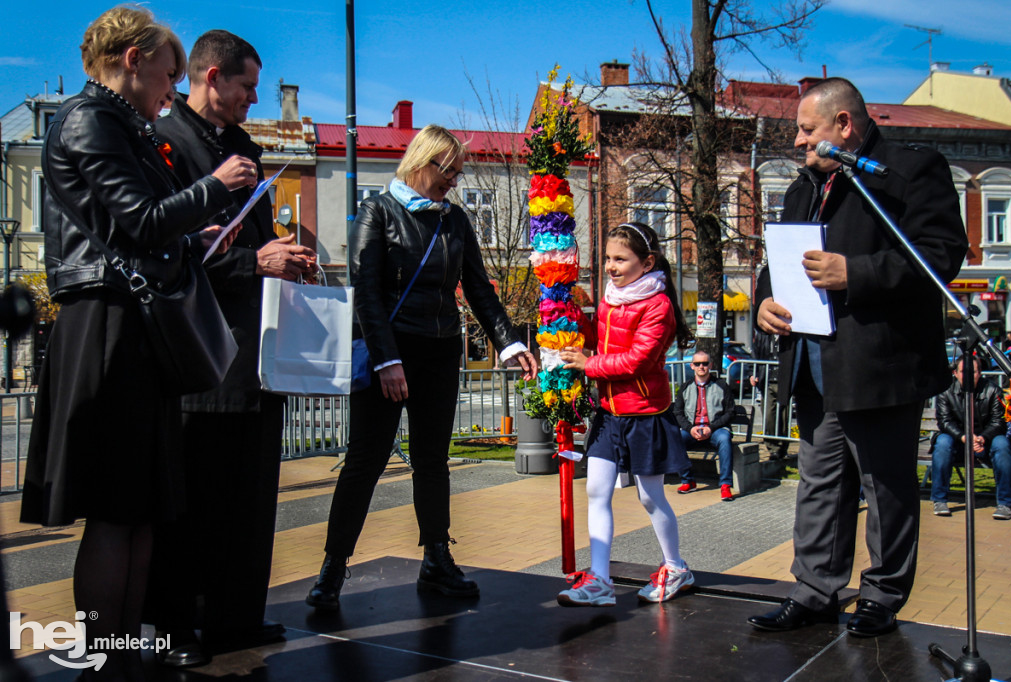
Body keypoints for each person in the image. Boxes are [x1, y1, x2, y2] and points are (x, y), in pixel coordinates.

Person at [19, 7, 254, 679]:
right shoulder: (93, 120)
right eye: (169, 73)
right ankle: (106, 656)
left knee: (143, 506)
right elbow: (140, 220)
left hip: (134, 324)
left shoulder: (124, 125)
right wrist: (214, 189)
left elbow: (141, 228)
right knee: (118, 510)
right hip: (107, 327)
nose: (173, 89)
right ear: (132, 59)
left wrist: (195, 237)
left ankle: (127, 652)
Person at [749, 77, 968, 638]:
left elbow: (941, 254)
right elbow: (775, 265)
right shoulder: (803, 187)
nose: (798, 142)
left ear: (843, 125)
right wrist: (763, 303)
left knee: (884, 485)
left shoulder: (907, 172)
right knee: (819, 483)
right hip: (812, 365)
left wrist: (857, 273)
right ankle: (815, 590)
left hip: (880, 364)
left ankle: (881, 594)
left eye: (806, 130)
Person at [306, 125, 538, 610]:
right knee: (365, 461)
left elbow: (479, 289)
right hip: (389, 351)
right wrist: (388, 359)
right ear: (422, 161)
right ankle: (332, 566)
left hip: (440, 351)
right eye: (447, 170)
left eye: (458, 171)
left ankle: (436, 557)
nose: (454, 180)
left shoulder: (454, 220)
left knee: (432, 459)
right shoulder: (377, 211)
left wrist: (509, 342)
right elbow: (365, 292)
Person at [144, 30, 317, 666]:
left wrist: (285, 255)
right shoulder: (166, 143)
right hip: (199, 353)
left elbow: (259, 238)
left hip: (256, 353)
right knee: (195, 498)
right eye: (245, 85)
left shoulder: (245, 146)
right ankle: (175, 624)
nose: (253, 98)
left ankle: (235, 616)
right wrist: (254, 261)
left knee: (250, 494)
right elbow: (166, 253)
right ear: (211, 76)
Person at [557, 222, 694, 605]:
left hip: (645, 413)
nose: (611, 266)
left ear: (647, 262)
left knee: (651, 497)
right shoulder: (610, 297)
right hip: (609, 414)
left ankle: (677, 567)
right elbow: (598, 338)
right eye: (607, 259)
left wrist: (589, 364)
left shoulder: (658, 304)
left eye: (621, 259)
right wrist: (569, 320)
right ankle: (600, 580)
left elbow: (638, 360)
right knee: (597, 491)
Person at [931, 356, 1011, 520]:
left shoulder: (993, 390)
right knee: (942, 443)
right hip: (957, 441)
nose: (968, 376)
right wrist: (964, 437)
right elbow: (945, 421)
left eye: (973, 372)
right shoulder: (946, 391)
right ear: (955, 373)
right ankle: (939, 500)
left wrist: (982, 438)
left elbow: (999, 422)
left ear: (980, 373)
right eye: (963, 372)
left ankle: (1006, 503)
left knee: (1002, 444)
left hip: (986, 441)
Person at [674, 350, 736, 501]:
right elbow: (678, 412)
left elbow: (730, 412)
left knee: (724, 439)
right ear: (692, 366)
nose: (701, 366)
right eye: (697, 363)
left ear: (710, 365)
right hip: (692, 430)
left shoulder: (721, 386)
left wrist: (711, 428)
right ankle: (688, 481)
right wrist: (690, 428)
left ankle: (725, 485)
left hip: (715, 430)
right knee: (675, 439)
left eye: (705, 363)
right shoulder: (685, 387)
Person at [750, 325, 790, 460]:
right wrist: (753, 373)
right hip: (767, 379)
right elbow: (755, 354)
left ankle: (782, 448)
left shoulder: (789, 334)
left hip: (785, 380)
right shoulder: (763, 335)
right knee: (769, 415)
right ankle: (772, 447)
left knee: (784, 417)